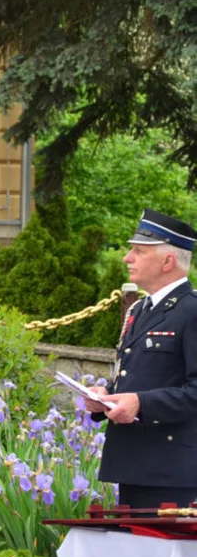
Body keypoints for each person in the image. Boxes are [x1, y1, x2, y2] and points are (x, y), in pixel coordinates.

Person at [85, 209, 197, 510]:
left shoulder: (191, 311)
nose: (127, 258)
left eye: (138, 251)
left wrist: (140, 404)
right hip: (132, 463)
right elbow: (134, 375)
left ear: (167, 261)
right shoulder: (138, 311)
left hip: (172, 471)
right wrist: (104, 395)